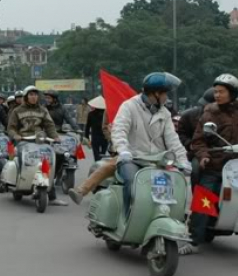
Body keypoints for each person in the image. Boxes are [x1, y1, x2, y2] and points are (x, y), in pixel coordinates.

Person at [183, 74, 238, 255]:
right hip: (215, 165)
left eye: (221, 92)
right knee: (203, 201)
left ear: (233, 93)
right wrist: (203, 156)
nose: (217, 95)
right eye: (216, 92)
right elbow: (198, 141)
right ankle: (194, 241)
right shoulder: (209, 113)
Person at [111, 72, 190, 218]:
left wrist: (183, 161)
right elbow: (119, 130)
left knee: (176, 184)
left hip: (157, 161)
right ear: (156, 94)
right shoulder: (129, 106)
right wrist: (123, 150)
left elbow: (173, 140)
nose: (167, 97)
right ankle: (127, 217)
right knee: (132, 181)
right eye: (165, 94)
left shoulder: (164, 113)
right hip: (132, 158)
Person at [7, 85, 66, 205]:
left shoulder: (43, 110)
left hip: (40, 140)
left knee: (52, 160)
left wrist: (55, 137)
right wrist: (16, 135)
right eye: (31, 95)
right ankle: (20, 184)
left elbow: (49, 125)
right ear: (26, 97)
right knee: (24, 160)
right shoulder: (17, 110)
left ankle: (52, 197)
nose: (34, 97)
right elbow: (11, 128)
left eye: (35, 94)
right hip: (24, 140)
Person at [177, 87, 216, 188]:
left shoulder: (227, 116)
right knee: (196, 169)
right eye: (205, 105)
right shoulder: (188, 116)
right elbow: (180, 133)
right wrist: (189, 144)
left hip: (220, 152)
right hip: (197, 151)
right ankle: (196, 194)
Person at [85, 96, 108, 161]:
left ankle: (97, 165)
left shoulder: (91, 114)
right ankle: (101, 164)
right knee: (103, 154)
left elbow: (87, 126)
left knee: (96, 155)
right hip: (105, 137)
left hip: (95, 137)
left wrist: (86, 137)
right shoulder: (106, 114)